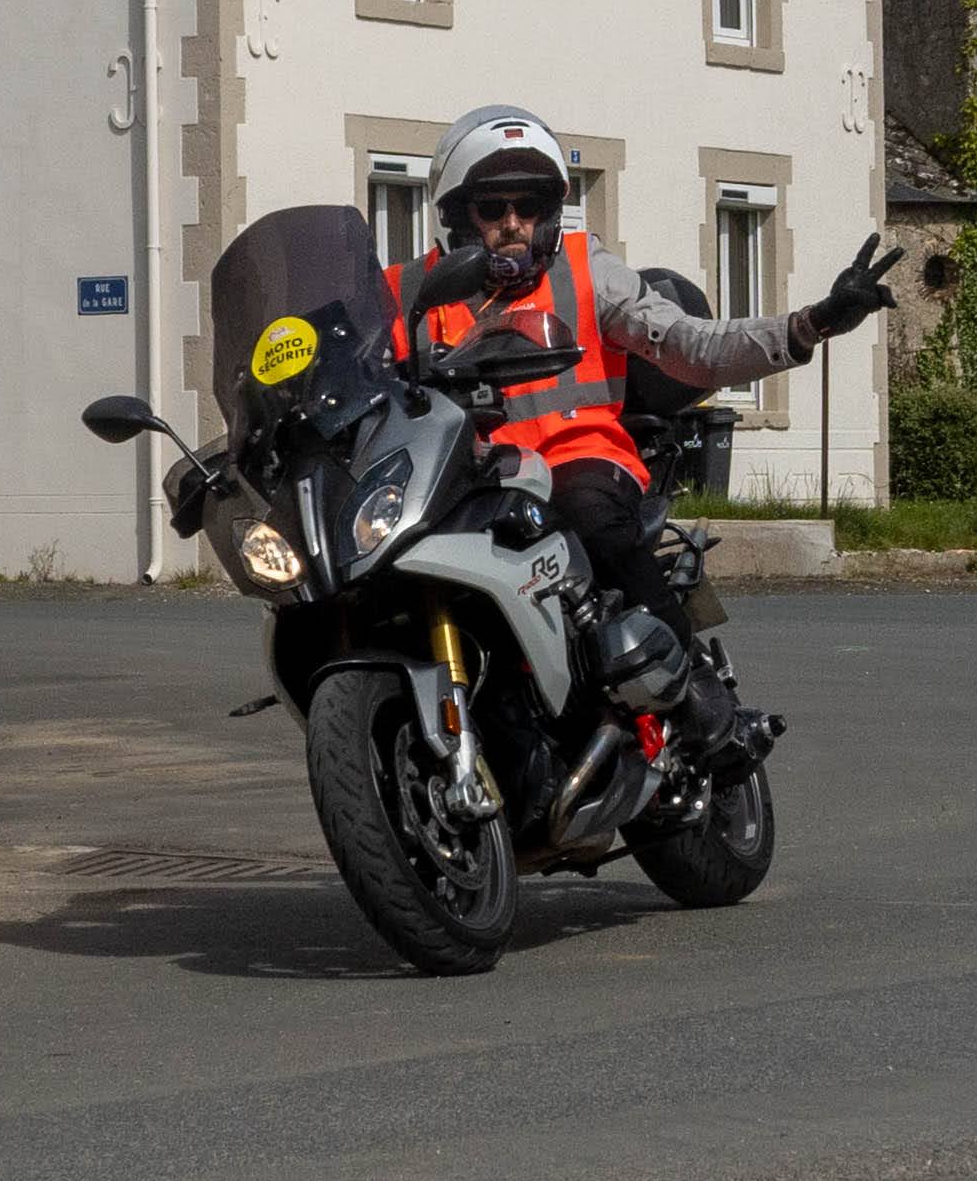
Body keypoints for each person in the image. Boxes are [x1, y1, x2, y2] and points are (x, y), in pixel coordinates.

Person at [384, 105, 901, 764]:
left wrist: (811, 323)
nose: (514, 223)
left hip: (577, 460)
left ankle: (705, 705)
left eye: (530, 205)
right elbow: (335, 360)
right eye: (494, 207)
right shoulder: (409, 291)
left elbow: (692, 345)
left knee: (592, 519)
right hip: (465, 483)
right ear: (458, 214)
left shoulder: (583, 269)